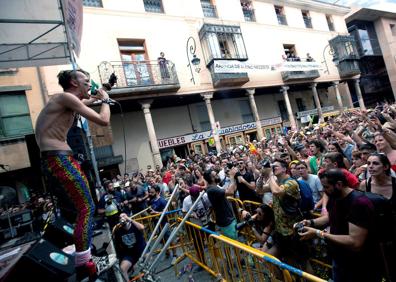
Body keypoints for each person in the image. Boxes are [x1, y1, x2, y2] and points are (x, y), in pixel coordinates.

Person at [36, 69, 111, 276]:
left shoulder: (67, 101)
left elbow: (85, 103)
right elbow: (103, 120)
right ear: (73, 82)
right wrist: (105, 100)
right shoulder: (65, 97)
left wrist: (101, 93)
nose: (89, 84)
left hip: (56, 159)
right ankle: (83, 262)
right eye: (85, 81)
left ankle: (79, 256)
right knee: (86, 208)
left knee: (77, 211)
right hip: (59, 159)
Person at [297, 169, 382, 282]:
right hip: (339, 259)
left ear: (339, 184)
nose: (324, 190)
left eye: (326, 187)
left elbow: (355, 242)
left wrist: (318, 233)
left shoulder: (359, 203)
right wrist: (311, 222)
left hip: (360, 265)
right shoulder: (335, 197)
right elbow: (331, 217)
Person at [267, 160, 307, 266]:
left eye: (276, 166)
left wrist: (270, 175)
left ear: (284, 169)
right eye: (272, 167)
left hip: (293, 231)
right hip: (281, 230)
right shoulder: (277, 182)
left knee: (303, 263)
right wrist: (263, 176)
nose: (273, 168)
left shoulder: (291, 182)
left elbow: (276, 191)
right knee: (287, 261)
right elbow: (259, 190)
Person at [205, 167, 238, 239]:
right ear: (212, 179)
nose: (218, 175)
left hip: (227, 218)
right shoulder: (212, 189)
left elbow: (231, 190)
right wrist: (231, 177)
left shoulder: (215, 186)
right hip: (226, 220)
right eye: (216, 175)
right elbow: (230, 192)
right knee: (235, 243)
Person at [113, 213, 146, 281]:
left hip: (141, 251)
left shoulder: (135, 226)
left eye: (124, 216)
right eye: (120, 217)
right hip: (130, 254)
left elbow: (142, 227)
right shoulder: (118, 230)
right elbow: (118, 246)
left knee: (145, 263)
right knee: (122, 268)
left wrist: (129, 219)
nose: (122, 218)